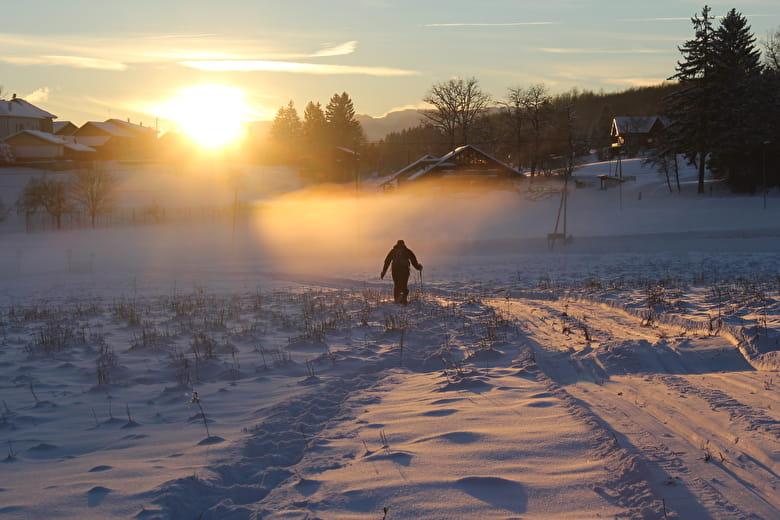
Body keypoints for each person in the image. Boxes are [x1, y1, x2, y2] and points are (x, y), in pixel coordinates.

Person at [381, 239, 422, 305]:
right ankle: (404, 300)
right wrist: (418, 267)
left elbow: (387, 262)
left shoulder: (393, 251)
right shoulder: (407, 251)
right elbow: (413, 260)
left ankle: (397, 300)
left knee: (397, 285)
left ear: (397, 244)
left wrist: (383, 272)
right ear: (403, 244)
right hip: (405, 271)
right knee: (404, 285)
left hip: (395, 271)